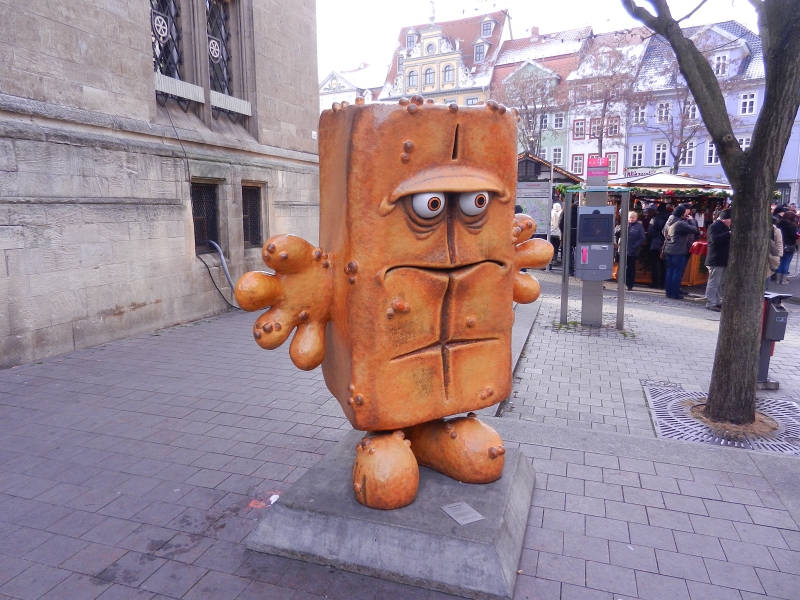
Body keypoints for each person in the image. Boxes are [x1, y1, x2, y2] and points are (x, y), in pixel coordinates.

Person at [663, 205, 698, 299]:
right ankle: (674, 294)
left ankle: (668, 293)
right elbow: (694, 229)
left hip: (668, 248)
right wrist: (691, 220)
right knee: (677, 272)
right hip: (678, 250)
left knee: (669, 271)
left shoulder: (669, 221)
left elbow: (663, 232)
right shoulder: (679, 223)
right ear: (682, 214)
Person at [704, 209, 731, 311]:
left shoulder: (725, 227)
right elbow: (714, 239)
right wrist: (728, 234)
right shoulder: (714, 226)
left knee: (720, 283)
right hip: (715, 259)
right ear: (724, 219)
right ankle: (710, 302)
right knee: (714, 282)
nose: (731, 221)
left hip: (723, 259)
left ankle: (717, 301)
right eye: (730, 219)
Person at [645, 203, 668, 289]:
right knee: (664, 264)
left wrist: (649, 242)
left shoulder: (655, 219)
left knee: (655, 264)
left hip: (656, 244)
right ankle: (663, 283)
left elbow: (650, 233)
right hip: (667, 244)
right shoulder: (670, 218)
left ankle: (655, 283)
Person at [625, 211, 645, 290]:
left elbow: (642, 238)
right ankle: (622, 283)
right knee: (623, 268)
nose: (631, 219)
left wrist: (634, 247)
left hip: (633, 251)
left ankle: (630, 284)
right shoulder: (624, 225)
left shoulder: (639, 227)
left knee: (630, 268)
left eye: (633, 217)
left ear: (636, 218)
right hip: (623, 251)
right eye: (630, 217)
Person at [776, 211, 798, 284]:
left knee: (780, 262)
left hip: (779, 244)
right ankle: (783, 280)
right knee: (786, 262)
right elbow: (793, 236)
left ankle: (777, 279)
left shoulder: (778, 224)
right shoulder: (792, 226)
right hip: (789, 245)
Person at [559, 200, 579, 276]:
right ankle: (579, 268)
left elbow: (561, 224)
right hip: (578, 234)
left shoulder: (566, 212)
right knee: (580, 251)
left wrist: (563, 232)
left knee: (568, 252)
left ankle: (570, 269)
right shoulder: (580, 212)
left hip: (567, 234)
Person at [549, 202, 562, 268]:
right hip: (558, 233)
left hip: (550, 233)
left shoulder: (551, 213)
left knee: (551, 247)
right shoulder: (561, 213)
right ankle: (554, 260)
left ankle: (549, 260)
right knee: (556, 247)